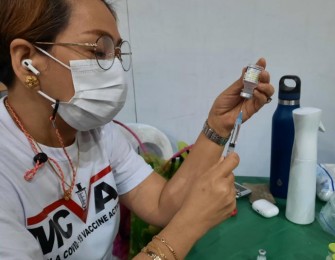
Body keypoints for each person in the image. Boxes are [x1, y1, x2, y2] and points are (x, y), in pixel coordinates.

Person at [0, 0, 274, 259]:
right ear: (27, 60)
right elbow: (178, 220)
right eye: (99, 50)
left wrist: (218, 125)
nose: (115, 69)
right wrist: (190, 224)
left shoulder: (98, 132)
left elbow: (160, 204)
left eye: (116, 53)